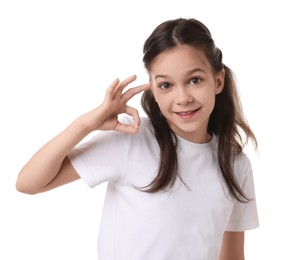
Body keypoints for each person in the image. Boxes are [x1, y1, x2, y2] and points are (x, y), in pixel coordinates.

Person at [16, 18, 259, 260]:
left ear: (218, 80)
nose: (182, 97)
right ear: (152, 88)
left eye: (194, 80)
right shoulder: (132, 139)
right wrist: (87, 123)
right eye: (166, 85)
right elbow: (28, 183)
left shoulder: (235, 163)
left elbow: (233, 256)